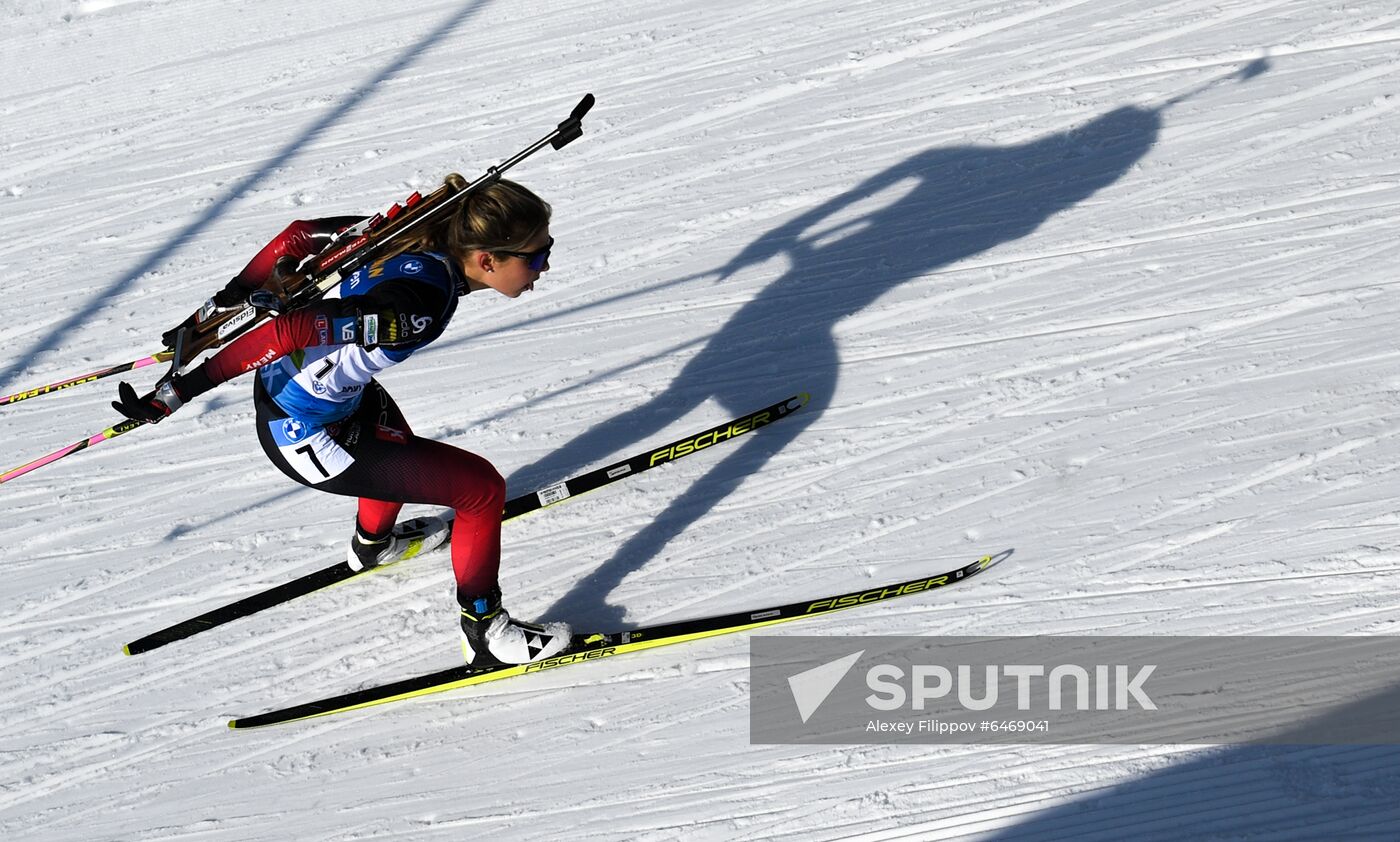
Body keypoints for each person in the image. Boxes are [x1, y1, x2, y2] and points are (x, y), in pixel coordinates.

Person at [112, 178, 570, 667]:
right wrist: (180, 390)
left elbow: (299, 235)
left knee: (396, 449)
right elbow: (291, 329)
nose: (543, 267)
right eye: (536, 256)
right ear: (487, 260)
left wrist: (225, 302)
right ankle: (486, 636)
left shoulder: (415, 234)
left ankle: (373, 546)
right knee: (480, 490)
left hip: (318, 398)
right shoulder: (419, 305)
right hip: (306, 434)